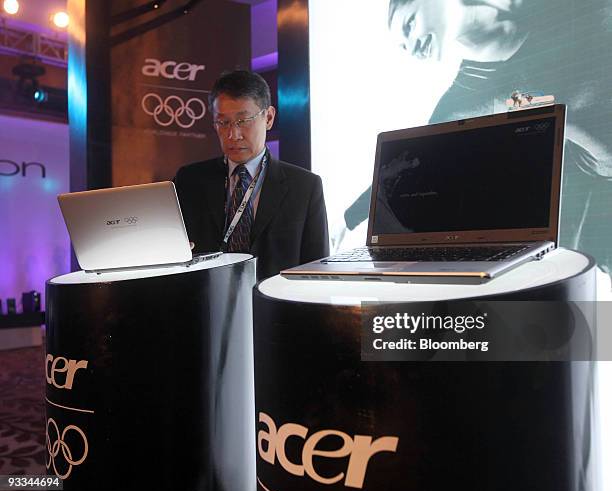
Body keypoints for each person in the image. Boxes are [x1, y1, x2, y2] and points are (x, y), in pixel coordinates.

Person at [341, 0, 612, 282]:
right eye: (404, 47)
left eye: (409, 25)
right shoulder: (470, 96)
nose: (413, 47)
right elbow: (408, 160)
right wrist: (349, 219)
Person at [174, 70, 329, 280]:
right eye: (223, 122)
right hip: (208, 305)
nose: (233, 134)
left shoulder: (305, 187)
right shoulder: (189, 181)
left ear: (269, 117)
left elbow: (316, 270)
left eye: (243, 120)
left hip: (275, 306)